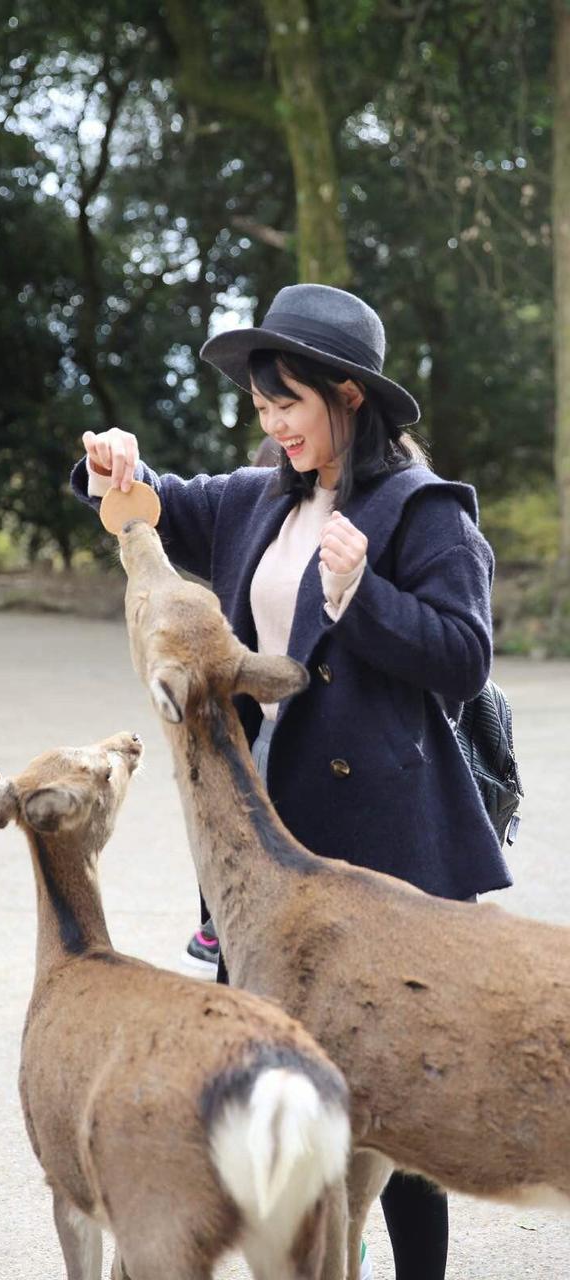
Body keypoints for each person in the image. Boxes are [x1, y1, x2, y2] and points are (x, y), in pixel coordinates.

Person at [70, 283, 512, 1280]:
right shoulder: (259, 496)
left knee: (395, 1098)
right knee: (271, 1070)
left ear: (349, 396)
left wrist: (366, 597)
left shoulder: (422, 510)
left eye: (291, 403)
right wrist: (114, 465)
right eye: (264, 406)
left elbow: (465, 656)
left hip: (387, 850)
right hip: (268, 842)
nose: (274, 423)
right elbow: (154, 505)